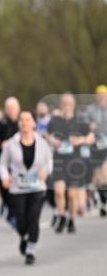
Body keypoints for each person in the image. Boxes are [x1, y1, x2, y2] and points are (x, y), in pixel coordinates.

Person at [0, 109, 53, 265]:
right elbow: (2, 164)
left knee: (33, 218)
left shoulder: (42, 143)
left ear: (33, 123)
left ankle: (30, 250)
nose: (24, 122)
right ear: (19, 123)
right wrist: (5, 177)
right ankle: (24, 235)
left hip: (37, 187)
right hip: (18, 187)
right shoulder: (11, 144)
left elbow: (49, 161)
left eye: (28, 119)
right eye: (22, 120)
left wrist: (45, 171)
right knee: (20, 220)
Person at [47, 92, 95, 234]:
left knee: (72, 195)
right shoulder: (55, 121)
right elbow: (47, 134)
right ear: (61, 105)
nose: (66, 106)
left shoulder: (80, 121)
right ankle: (61, 216)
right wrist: (52, 141)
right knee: (59, 192)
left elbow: (91, 137)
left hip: (75, 163)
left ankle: (71, 219)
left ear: (74, 105)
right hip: (59, 161)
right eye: (64, 104)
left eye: (69, 104)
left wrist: (81, 141)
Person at [0, 97, 21, 226]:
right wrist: (0, 144)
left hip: (19, 161)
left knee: (17, 187)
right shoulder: (1, 123)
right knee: (4, 186)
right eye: (9, 108)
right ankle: (8, 206)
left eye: (13, 107)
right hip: (3, 161)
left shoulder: (23, 122)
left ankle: (15, 212)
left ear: (18, 108)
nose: (11, 110)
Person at [83, 85, 107, 218]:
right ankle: (103, 201)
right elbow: (84, 124)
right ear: (96, 96)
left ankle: (104, 200)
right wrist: (89, 127)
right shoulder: (90, 110)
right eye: (100, 94)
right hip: (95, 145)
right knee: (98, 177)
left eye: (104, 94)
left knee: (105, 172)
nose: (102, 97)